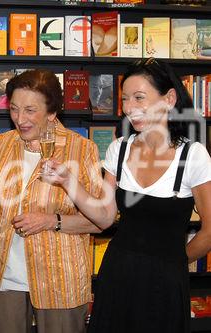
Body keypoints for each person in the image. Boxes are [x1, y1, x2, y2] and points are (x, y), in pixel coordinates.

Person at [43, 58, 211, 333]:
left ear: (169, 98)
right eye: (125, 99)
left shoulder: (193, 155)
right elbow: (105, 217)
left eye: (139, 98)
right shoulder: (119, 149)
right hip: (117, 273)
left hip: (166, 284)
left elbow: (209, 231)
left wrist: (175, 263)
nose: (129, 108)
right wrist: (68, 181)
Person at [0, 69, 103, 333]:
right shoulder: (2, 144)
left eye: (30, 110)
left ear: (52, 113)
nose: (19, 119)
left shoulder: (82, 149)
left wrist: (50, 221)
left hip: (59, 279)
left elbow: (99, 221)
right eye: (14, 109)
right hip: (4, 277)